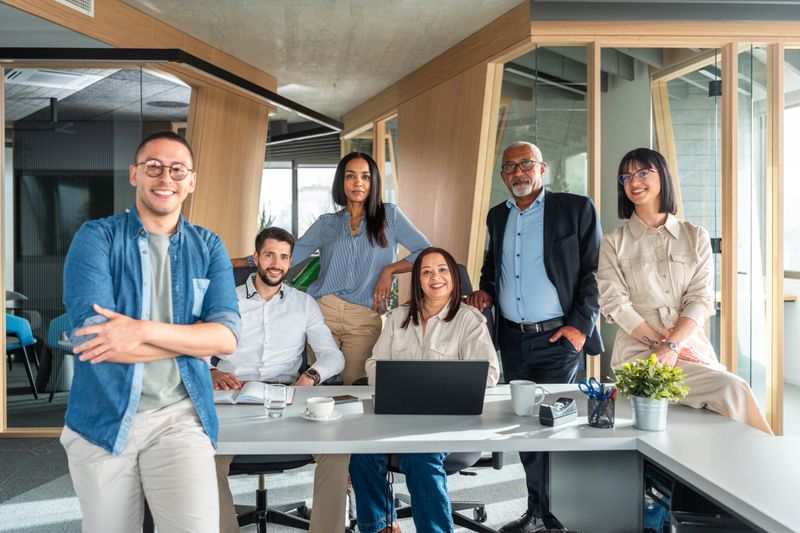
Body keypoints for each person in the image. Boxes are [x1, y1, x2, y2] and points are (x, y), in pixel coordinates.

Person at [60, 131, 242, 533]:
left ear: (191, 180)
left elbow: (226, 337)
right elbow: (96, 343)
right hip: (103, 418)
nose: (166, 178)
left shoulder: (208, 247)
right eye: (154, 167)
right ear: (134, 175)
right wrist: (193, 341)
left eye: (177, 170)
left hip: (180, 417)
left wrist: (139, 330)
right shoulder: (97, 238)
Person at [466, 141, 603, 533]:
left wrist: (580, 326)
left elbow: (595, 270)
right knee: (526, 426)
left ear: (543, 169)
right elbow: (493, 265)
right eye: (510, 167)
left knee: (554, 426)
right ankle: (536, 511)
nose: (518, 172)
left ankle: (559, 516)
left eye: (526, 164)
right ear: (502, 177)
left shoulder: (575, 208)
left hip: (558, 337)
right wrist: (485, 289)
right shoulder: (497, 215)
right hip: (512, 337)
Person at [597, 147, 772, 434]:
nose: (634, 181)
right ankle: (769, 463)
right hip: (640, 357)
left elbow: (700, 299)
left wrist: (675, 344)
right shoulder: (613, 242)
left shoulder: (695, 236)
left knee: (726, 406)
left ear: (663, 177)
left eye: (643, 173)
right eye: (626, 177)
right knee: (734, 389)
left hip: (691, 350)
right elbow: (616, 304)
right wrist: (663, 347)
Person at [350, 247, 499, 533]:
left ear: (453, 277)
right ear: (418, 279)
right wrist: (397, 382)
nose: (435, 277)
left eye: (442, 269)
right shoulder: (398, 317)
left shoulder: (470, 320)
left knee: (421, 456)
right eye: (426, 271)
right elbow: (373, 365)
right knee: (361, 454)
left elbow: (489, 375)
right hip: (397, 417)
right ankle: (381, 526)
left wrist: (439, 384)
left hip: (449, 421)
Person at [214, 226, 350, 533]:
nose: (276, 263)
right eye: (270, 255)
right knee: (206, 455)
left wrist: (310, 377)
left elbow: (333, 355)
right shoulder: (225, 300)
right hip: (235, 396)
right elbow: (193, 349)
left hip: (288, 397)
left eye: (284, 257)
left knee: (337, 451)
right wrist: (212, 371)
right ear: (256, 258)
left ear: (289, 263)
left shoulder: (304, 304)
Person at [290, 152, 430, 385]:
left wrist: (390, 270)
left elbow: (424, 252)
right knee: (319, 384)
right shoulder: (327, 223)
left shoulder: (390, 216)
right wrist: (240, 262)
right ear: (341, 182)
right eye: (350, 176)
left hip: (364, 316)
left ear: (373, 182)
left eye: (365, 177)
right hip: (323, 312)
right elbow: (290, 255)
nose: (358, 183)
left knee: (355, 386)